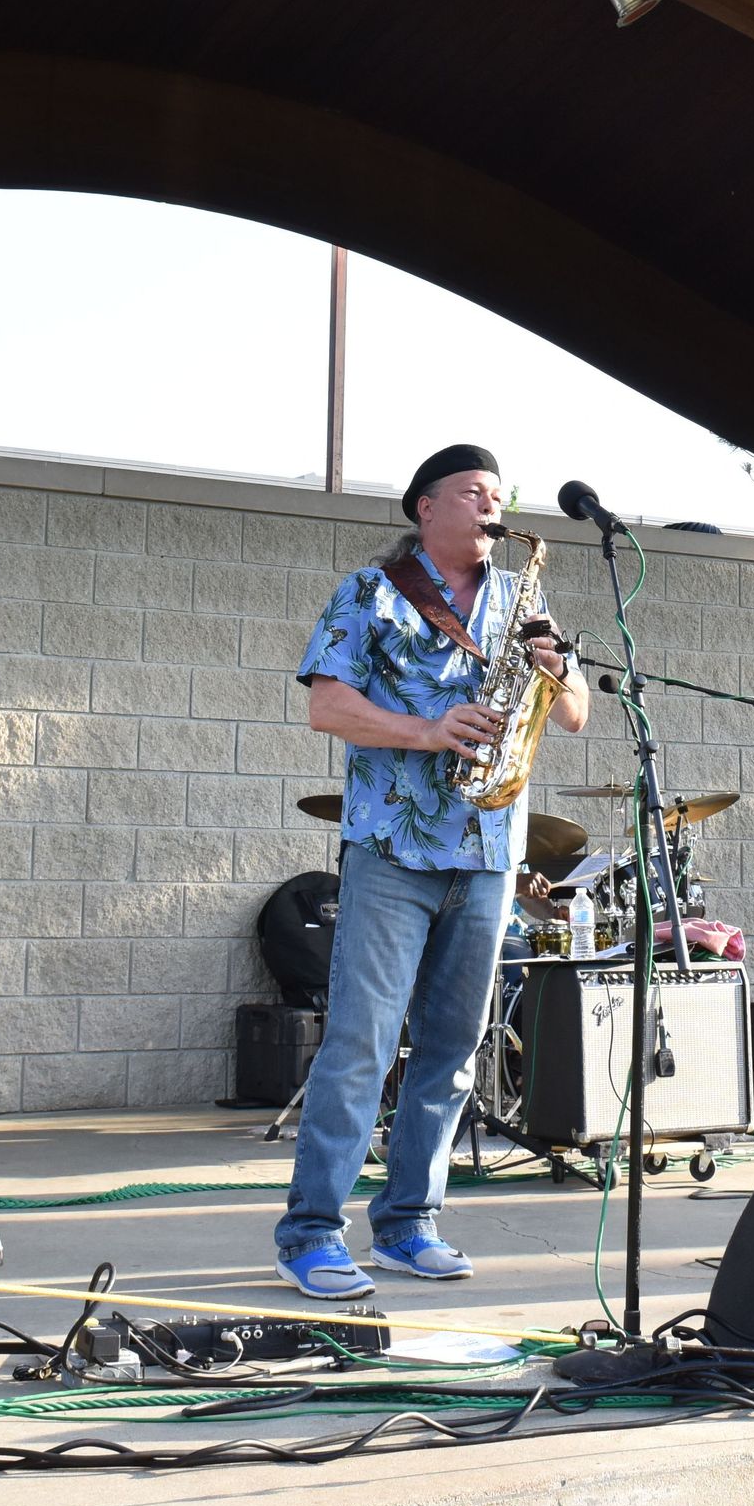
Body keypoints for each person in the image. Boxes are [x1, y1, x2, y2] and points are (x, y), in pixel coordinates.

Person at [273, 444, 587, 1301]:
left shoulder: (523, 602)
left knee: (451, 1052)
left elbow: (576, 714)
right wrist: (428, 729)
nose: (492, 507)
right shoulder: (369, 593)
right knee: (362, 1046)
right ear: (425, 507)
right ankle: (309, 1234)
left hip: (488, 854)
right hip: (394, 853)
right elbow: (324, 704)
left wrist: (560, 670)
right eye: (474, 492)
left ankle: (410, 1223)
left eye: (498, 494)